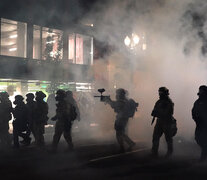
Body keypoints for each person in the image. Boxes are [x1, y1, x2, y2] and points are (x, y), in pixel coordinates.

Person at [105, 88, 136, 152]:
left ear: (120, 94)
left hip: (121, 119)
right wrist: (109, 101)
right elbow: (115, 105)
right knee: (121, 133)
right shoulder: (125, 100)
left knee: (119, 134)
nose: (116, 95)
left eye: (117, 93)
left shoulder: (122, 101)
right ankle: (127, 145)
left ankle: (126, 145)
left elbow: (114, 105)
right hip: (123, 118)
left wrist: (109, 101)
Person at [151, 87, 174, 158]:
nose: (160, 93)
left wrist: (159, 113)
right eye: (159, 92)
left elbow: (169, 112)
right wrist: (154, 113)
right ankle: (154, 152)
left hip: (166, 121)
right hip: (159, 121)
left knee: (168, 138)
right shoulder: (159, 101)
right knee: (155, 137)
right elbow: (154, 109)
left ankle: (169, 152)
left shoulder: (169, 102)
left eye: (161, 92)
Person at [192, 85, 207, 161]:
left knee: (204, 140)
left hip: (205, 124)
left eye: (201, 90)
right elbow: (193, 111)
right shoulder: (197, 101)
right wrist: (196, 119)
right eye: (199, 90)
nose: (200, 91)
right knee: (198, 138)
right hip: (199, 124)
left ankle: (203, 157)